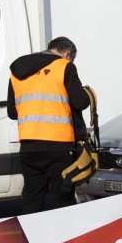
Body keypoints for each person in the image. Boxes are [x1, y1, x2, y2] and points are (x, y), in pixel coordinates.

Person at [7, 36, 91, 213]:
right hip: (58, 145)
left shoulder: (18, 71)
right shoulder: (64, 66)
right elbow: (80, 102)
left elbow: (12, 112)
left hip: (29, 145)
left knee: (32, 198)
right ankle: (61, 238)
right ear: (67, 54)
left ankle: (32, 237)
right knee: (60, 199)